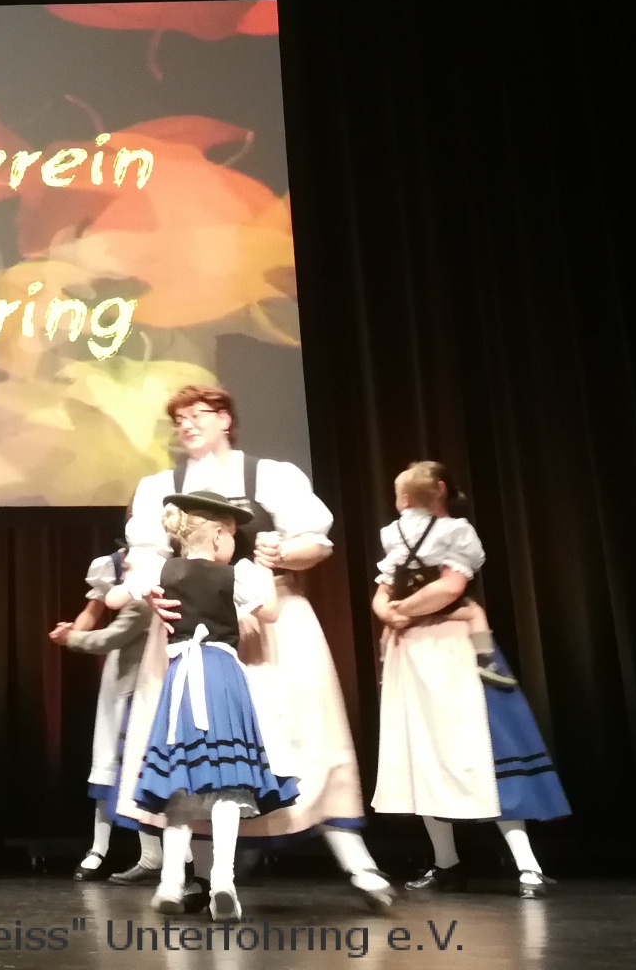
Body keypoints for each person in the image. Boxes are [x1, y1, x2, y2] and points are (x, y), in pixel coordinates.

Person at [115, 385, 395, 910]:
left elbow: (316, 542)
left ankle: (359, 866)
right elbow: (144, 556)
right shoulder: (160, 487)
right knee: (193, 746)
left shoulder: (271, 475)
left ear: (226, 419)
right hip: (191, 631)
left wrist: (280, 552)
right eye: (179, 418)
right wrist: (152, 591)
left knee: (300, 736)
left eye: (198, 414)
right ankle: (201, 878)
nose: (187, 424)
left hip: (272, 623)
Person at [370, 461, 570, 900]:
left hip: (453, 649)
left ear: (436, 491)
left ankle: (528, 866)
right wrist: (391, 612)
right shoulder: (396, 537)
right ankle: (446, 863)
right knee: (421, 754)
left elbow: (450, 587)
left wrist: (400, 611)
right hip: (412, 651)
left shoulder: (455, 533)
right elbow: (384, 590)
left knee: (480, 751)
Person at [118, 493, 298, 922]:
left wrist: (149, 597)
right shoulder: (238, 575)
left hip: (180, 675)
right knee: (228, 781)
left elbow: (115, 598)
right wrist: (267, 571)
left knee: (182, 782)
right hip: (221, 673)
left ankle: (170, 882)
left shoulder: (162, 570)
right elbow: (270, 613)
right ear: (218, 536)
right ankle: (222, 881)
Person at [48, 537, 164, 885]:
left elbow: (117, 631)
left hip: (155, 676)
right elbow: (95, 612)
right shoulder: (115, 566)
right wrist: (72, 633)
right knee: (111, 760)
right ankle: (100, 849)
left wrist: (72, 640)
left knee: (140, 763)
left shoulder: (166, 571)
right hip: (128, 676)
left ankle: (162, 855)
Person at [376, 462, 517, 688]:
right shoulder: (453, 530)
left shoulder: (393, 532)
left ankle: (384, 665)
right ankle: (484, 660)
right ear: (441, 490)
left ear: (405, 500)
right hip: (443, 608)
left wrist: (393, 610)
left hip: (402, 600)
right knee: (475, 612)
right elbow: (451, 587)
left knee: (389, 628)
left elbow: (389, 575)